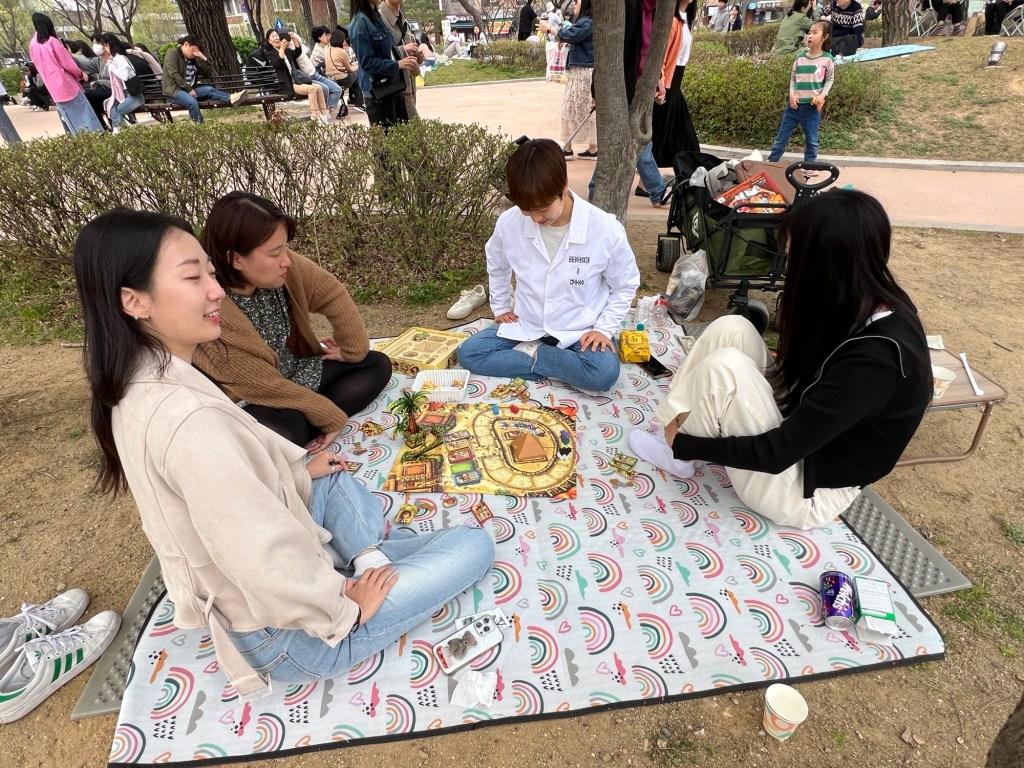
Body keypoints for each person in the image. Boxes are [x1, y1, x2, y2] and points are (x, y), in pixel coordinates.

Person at [72, 208, 495, 701]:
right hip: (292, 637)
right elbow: (258, 555)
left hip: (276, 574)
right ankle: (364, 564)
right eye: (192, 277)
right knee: (472, 544)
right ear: (134, 301)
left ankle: (366, 557)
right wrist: (345, 610)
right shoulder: (188, 419)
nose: (215, 292)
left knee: (320, 473)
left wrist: (296, 470)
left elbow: (242, 503)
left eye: (210, 273)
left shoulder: (143, 376)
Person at [630, 189, 931, 530]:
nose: (788, 265)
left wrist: (689, 444)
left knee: (725, 368)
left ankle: (678, 449)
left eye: (793, 257)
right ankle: (674, 430)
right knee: (732, 329)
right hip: (805, 445)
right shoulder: (866, 299)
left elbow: (777, 455)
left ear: (825, 263)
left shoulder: (875, 363)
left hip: (805, 493)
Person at [193, 192, 393, 450]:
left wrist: (350, 349)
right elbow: (261, 385)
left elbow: (331, 293)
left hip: (294, 374)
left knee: (375, 363)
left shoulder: (284, 268)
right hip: (252, 397)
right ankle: (305, 426)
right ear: (236, 259)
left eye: (285, 247)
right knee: (286, 431)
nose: (286, 260)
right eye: (275, 253)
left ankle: (303, 427)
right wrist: (329, 416)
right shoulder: (212, 305)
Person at [457, 139, 640, 395]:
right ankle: (555, 363)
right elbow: (497, 264)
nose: (535, 218)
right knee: (469, 353)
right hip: (527, 322)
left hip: (580, 330)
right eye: (526, 210)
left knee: (603, 374)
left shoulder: (605, 229)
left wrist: (603, 329)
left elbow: (625, 285)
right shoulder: (509, 223)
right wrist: (501, 306)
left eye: (543, 209)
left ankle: (532, 356)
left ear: (563, 187)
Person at [767, 19, 833, 170]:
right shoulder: (800, 57)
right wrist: (792, 93)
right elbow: (793, 78)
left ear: (825, 37)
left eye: (815, 32)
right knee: (782, 136)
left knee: (811, 139)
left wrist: (822, 96)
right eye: (809, 32)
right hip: (794, 106)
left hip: (812, 107)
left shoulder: (827, 59)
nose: (810, 35)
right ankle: (772, 161)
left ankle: (809, 166)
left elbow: (829, 80)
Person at [28, 13, 103, 134]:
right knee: (84, 112)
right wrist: (80, 74)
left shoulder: (32, 44)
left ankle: (81, 138)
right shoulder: (52, 41)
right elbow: (67, 63)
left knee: (70, 117)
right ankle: (96, 135)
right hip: (67, 84)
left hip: (53, 87)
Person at [348, 0, 418, 127]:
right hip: (377, 92)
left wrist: (404, 54)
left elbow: (388, 50)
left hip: (392, 86)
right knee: (387, 136)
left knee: (403, 134)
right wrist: (397, 64)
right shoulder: (359, 23)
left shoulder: (375, 16)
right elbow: (367, 62)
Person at [651, 0, 700, 169]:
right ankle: (648, 180)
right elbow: (661, 56)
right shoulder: (671, 20)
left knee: (682, 141)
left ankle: (651, 179)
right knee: (660, 140)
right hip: (667, 85)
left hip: (675, 83)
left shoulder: (687, 19)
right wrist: (660, 83)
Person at [161, 35, 247, 123]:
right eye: (193, 50)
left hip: (189, 90)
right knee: (192, 103)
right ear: (186, 44)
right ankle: (201, 127)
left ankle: (231, 98)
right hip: (174, 91)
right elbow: (174, 74)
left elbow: (207, 74)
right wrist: (189, 89)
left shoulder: (193, 59)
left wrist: (203, 58)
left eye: (197, 51)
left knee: (209, 90)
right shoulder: (172, 53)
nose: (194, 53)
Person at [554, 0, 597, 160]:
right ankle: (593, 148)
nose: (573, 5)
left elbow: (570, 34)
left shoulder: (587, 22)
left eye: (576, 1)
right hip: (585, 70)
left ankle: (567, 147)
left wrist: (552, 30)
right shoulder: (590, 21)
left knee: (570, 108)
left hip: (582, 72)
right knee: (586, 108)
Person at [259, 30, 331, 124]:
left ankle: (324, 114)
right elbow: (278, 64)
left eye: (277, 35)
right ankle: (315, 115)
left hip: (297, 80)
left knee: (319, 87)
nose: (276, 38)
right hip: (288, 83)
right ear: (269, 41)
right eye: (273, 36)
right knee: (311, 89)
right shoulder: (270, 53)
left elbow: (297, 52)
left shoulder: (287, 51)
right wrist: (282, 48)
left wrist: (294, 39)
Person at [99, 33, 153, 133]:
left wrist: (113, 68)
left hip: (134, 95)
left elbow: (125, 76)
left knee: (117, 110)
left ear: (108, 45)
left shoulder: (120, 58)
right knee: (109, 106)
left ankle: (120, 131)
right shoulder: (115, 58)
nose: (104, 49)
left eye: (104, 46)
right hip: (126, 93)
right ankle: (120, 130)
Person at [378, 0, 421, 118]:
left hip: (409, 83)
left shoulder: (402, 18)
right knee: (415, 126)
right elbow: (376, 55)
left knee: (410, 126)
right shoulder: (379, 18)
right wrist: (403, 49)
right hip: (394, 87)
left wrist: (417, 55)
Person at [288, 30, 344, 116]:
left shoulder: (302, 48)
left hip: (315, 74)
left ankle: (327, 109)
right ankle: (324, 111)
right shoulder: (291, 52)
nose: (328, 37)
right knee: (325, 89)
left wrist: (294, 37)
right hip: (308, 76)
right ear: (319, 38)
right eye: (325, 35)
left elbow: (299, 43)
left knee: (337, 89)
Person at [324, 29, 362, 117]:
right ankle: (359, 103)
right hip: (341, 79)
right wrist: (357, 67)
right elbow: (349, 69)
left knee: (355, 79)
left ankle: (354, 100)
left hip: (330, 78)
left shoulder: (327, 49)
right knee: (357, 75)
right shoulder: (342, 52)